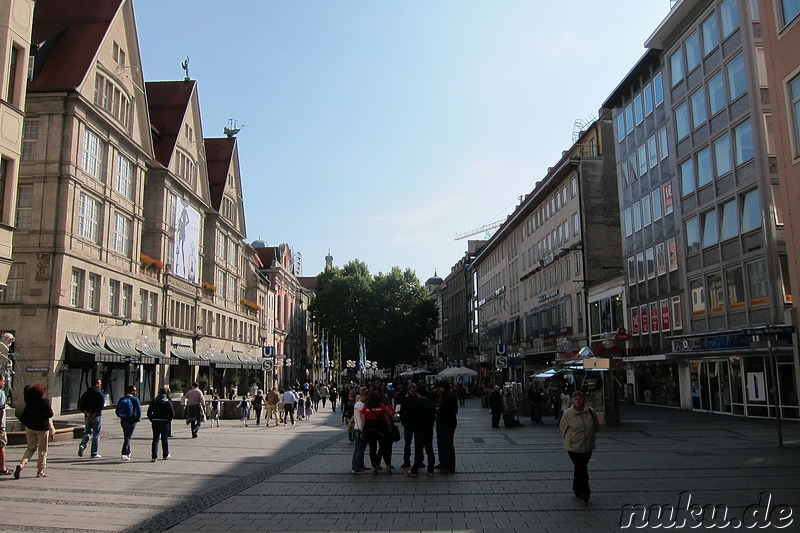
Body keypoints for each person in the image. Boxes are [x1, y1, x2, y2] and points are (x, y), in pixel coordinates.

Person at [559, 391, 599, 503]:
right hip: (573, 446)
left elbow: (595, 426)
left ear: (584, 400)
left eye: (580, 399)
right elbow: (562, 428)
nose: (577, 401)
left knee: (580, 467)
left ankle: (577, 488)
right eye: (575, 399)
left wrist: (590, 436)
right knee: (581, 467)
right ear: (572, 400)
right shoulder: (568, 413)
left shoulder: (591, 412)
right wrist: (570, 439)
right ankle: (586, 491)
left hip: (588, 445)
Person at [14, 384, 54, 478]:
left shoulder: (29, 401)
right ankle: (40, 471)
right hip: (42, 429)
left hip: (30, 427)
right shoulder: (44, 402)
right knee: (42, 450)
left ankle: (21, 464)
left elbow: (26, 389)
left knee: (30, 448)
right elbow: (50, 414)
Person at [404, 384, 436, 477]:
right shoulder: (431, 403)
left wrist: (413, 426)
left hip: (419, 429)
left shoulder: (416, 403)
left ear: (418, 393)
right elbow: (434, 417)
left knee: (419, 450)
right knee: (429, 449)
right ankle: (430, 469)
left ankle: (414, 470)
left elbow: (412, 417)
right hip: (429, 429)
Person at [360, 390, 394, 475]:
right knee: (384, 447)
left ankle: (374, 467)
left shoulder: (365, 407)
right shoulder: (382, 406)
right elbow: (386, 418)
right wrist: (389, 427)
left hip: (369, 429)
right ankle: (388, 466)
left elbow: (363, 421)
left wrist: (361, 431)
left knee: (372, 448)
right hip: (381, 429)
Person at [435, 379, 458, 474]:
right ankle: (444, 463)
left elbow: (445, 410)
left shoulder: (446, 396)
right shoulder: (448, 395)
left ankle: (449, 465)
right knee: (444, 444)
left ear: (442, 387)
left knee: (446, 444)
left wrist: (438, 410)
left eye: (439, 387)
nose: (437, 389)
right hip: (448, 422)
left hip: (445, 423)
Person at [78, 378, 105, 458]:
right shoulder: (99, 394)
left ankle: (83, 445)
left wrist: (86, 413)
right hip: (96, 416)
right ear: (97, 384)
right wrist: (95, 413)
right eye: (99, 383)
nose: (100, 385)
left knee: (88, 431)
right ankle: (94, 452)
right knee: (96, 434)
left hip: (87, 415)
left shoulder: (86, 393)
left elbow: (81, 405)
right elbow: (101, 405)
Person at [147, 386, 174, 462]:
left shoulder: (154, 401)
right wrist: (168, 420)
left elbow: (149, 412)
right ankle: (165, 454)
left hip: (155, 422)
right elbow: (172, 413)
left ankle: (154, 456)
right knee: (164, 439)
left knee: (155, 439)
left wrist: (152, 419)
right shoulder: (167, 402)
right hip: (164, 422)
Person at [116, 385, 142, 461]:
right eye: (135, 390)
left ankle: (128, 451)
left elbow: (117, 410)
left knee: (126, 436)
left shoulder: (122, 399)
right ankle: (124, 453)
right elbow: (139, 410)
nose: (136, 392)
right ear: (132, 391)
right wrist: (137, 419)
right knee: (128, 437)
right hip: (132, 420)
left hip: (123, 420)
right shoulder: (135, 399)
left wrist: (121, 416)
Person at [399, 383, 418, 469]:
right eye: (412, 391)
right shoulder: (406, 400)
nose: (413, 393)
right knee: (407, 443)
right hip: (409, 424)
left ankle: (419, 460)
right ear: (409, 391)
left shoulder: (418, 399)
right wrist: (403, 422)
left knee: (418, 443)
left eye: (414, 391)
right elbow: (402, 412)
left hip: (417, 424)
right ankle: (406, 461)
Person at [350, 388, 368, 475]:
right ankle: (356, 468)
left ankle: (355, 466)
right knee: (359, 449)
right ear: (363, 396)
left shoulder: (356, 404)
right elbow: (363, 419)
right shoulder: (361, 405)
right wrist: (363, 430)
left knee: (357, 449)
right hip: (360, 428)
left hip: (356, 427)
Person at [0, 374, 10, 475]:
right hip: (0, 425)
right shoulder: (1, 393)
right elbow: (1, 410)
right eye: (2, 381)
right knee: (1, 445)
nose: (4, 383)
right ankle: (2, 468)